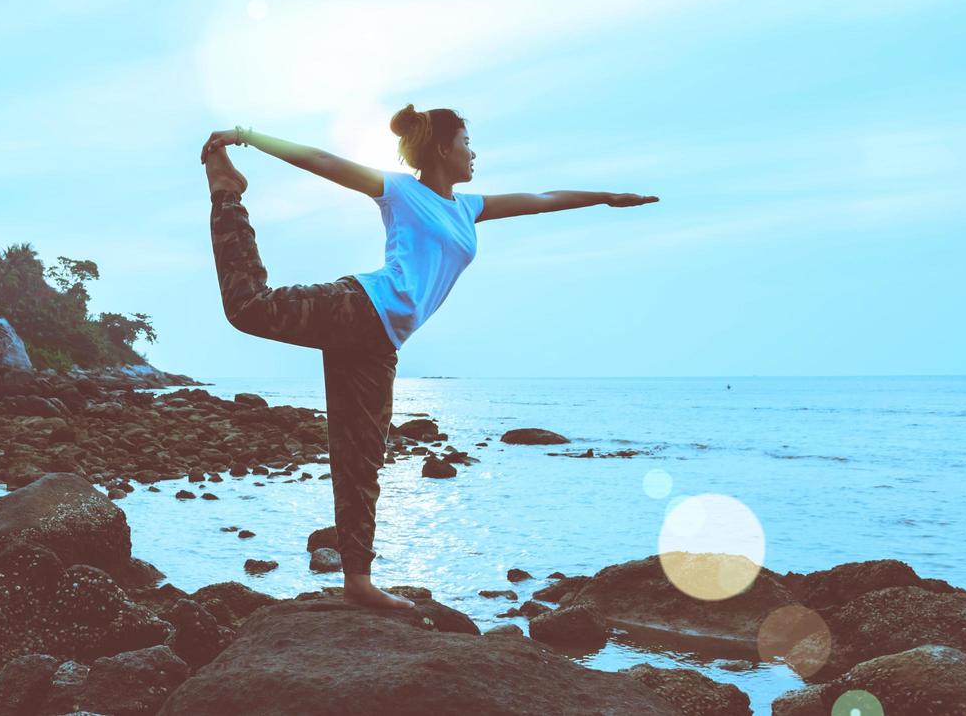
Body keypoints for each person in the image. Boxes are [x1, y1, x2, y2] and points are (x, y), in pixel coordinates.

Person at [200, 105, 658, 611]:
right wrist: (246, 135)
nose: (473, 151)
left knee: (363, 459)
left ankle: (358, 581)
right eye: (466, 141)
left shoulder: (469, 207)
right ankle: (227, 190)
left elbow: (543, 199)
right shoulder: (400, 191)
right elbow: (320, 160)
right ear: (442, 148)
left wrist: (604, 199)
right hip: (360, 305)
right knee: (247, 308)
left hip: (382, 341)